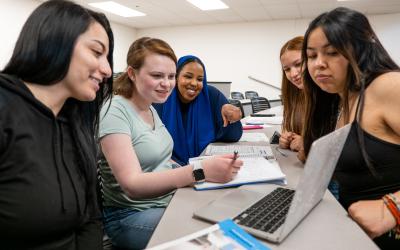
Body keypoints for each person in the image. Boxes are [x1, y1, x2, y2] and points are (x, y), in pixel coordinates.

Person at [99, 38, 243, 250]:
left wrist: (207, 171)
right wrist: (200, 171)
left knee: (228, 214)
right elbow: (132, 185)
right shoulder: (115, 111)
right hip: (130, 217)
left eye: (171, 76)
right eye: (157, 76)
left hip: (166, 201)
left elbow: (163, 162)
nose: (166, 84)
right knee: (215, 235)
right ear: (132, 73)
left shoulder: (149, 107)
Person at [0, 0, 114, 249]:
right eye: (97, 52)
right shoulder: (5, 109)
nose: (107, 70)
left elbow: (90, 218)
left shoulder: (74, 121)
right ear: (55, 41)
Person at [302, 7, 400, 249]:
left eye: (332, 52)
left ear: (362, 49)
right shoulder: (344, 98)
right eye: (312, 56)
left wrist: (393, 207)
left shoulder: (388, 85)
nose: (319, 64)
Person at [154, 55, 243, 166]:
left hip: (207, 165)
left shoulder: (211, 96)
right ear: (176, 77)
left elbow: (234, 136)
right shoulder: (161, 100)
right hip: (170, 169)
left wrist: (232, 119)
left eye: (200, 79)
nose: (194, 83)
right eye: (188, 76)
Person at [279, 36, 305, 153]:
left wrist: (307, 143)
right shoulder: (295, 97)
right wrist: (286, 139)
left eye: (298, 64)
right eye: (287, 69)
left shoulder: (333, 97)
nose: (293, 74)